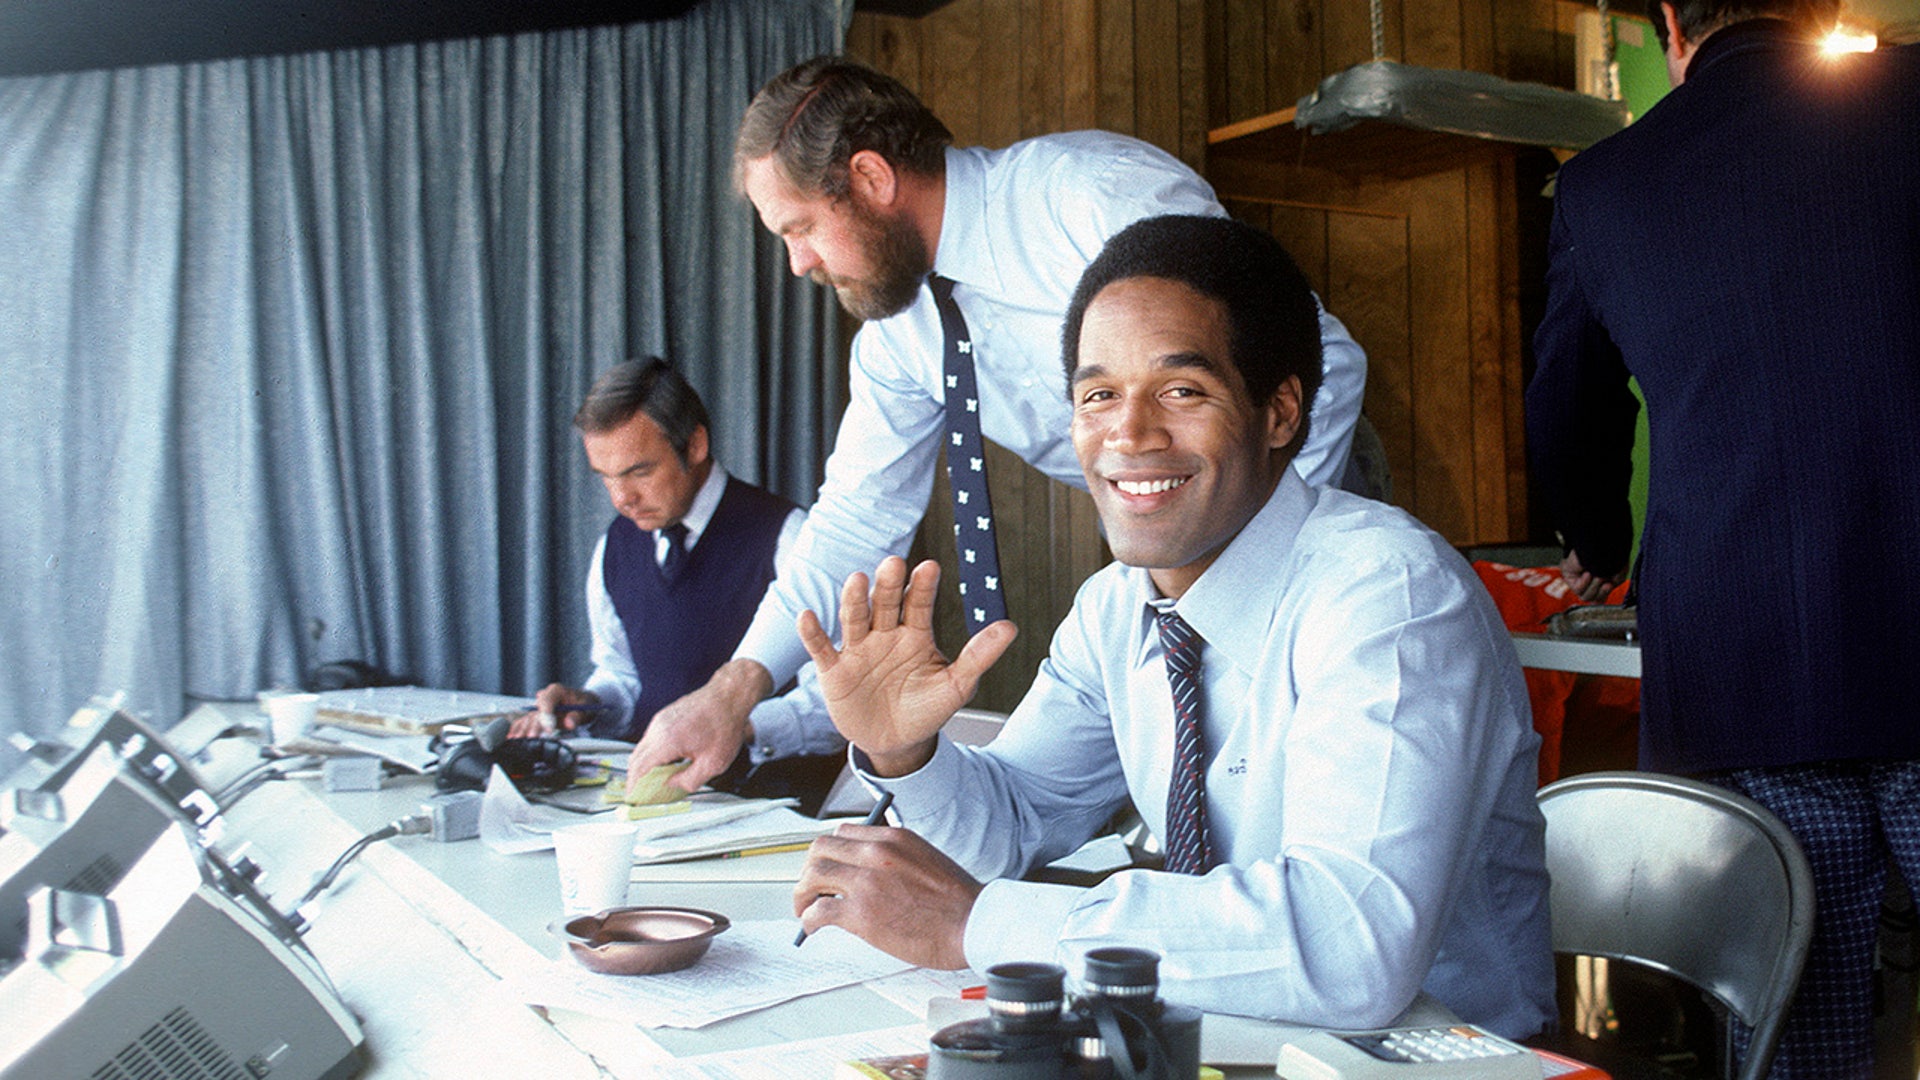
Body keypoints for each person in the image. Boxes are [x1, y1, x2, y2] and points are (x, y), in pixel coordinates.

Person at [791, 215, 1552, 1037]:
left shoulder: (1388, 595)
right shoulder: (1118, 608)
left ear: (1279, 413)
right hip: (1224, 1041)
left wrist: (979, 925)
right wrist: (905, 754)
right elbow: (1010, 825)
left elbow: (1349, 947)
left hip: (1426, 1060)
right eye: (1098, 395)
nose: (1129, 433)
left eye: (1182, 391)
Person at [625, 56, 1372, 797]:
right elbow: (855, 523)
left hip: (1296, 491)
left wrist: (1241, 573)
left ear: (871, 180)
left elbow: (1324, 367)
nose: (798, 263)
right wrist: (731, 695)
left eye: (800, 228)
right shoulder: (898, 339)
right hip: (1169, 530)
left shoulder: (1087, 196)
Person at [1526, 0, 1920, 1071]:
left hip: (1746, 665)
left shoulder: (1609, 185)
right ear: (1834, 9)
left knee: (1799, 1023)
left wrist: (1600, 538)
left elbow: (1566, 407)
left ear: (1666, 24)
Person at [511, 359, 845, 807]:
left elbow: (837, 706)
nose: (621, 499)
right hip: (656, 811)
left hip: (765, 811)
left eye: (638, 472)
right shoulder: (614, 545)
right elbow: (626, 678)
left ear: (695, 445)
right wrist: (588, 701)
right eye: (606, 477)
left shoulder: (790, 538)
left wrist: (732, 723)